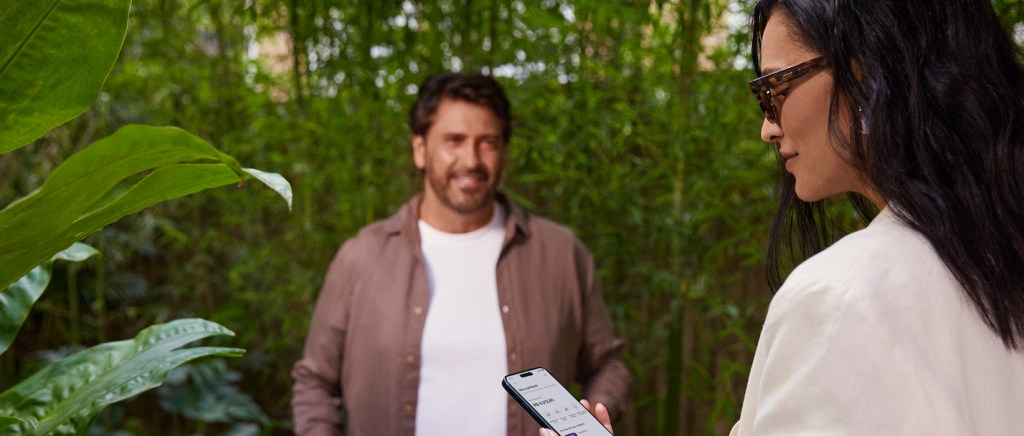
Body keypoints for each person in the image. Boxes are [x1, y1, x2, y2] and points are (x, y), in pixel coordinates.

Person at [570, 0, 1024, 435]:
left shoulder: (841, 296)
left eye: (773, 89)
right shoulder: (995, 255)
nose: (767, 128)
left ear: (865, 73)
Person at [291, 72, 631, 436]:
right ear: (420, 149)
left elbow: (608, 366)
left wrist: (591, 420)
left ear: (504, 151)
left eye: (487, 142)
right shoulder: (361, 258)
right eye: (454, 140)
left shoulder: (561, 254)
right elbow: (315, 382)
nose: (471, 160)